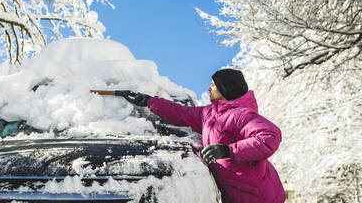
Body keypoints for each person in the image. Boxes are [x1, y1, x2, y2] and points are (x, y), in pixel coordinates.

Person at [116, 69, 286, 203]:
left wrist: (228, 151)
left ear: (225, 88)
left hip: (257, 195)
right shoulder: (209, 114)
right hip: (236, 194)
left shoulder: (241, 115)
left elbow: (270, 136)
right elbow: (179, 112)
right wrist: (149, 102)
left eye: (213, 84)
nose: (209, 88)